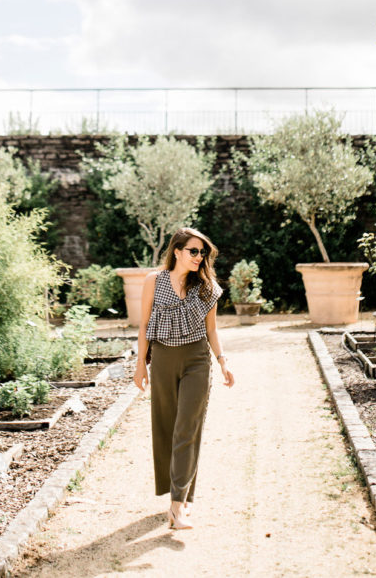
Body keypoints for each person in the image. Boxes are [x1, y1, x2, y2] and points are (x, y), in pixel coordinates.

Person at [133, 226, 235, 530]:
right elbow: (144, 325)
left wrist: (222, 361)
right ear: (177, 251)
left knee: (186, 429)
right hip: (163, 359)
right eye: (193, 251)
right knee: (166, 428)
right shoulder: (154, 281)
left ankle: (176, 507)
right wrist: (140, 364)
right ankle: (183, 496)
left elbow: (212, 329)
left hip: (196, 361)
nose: (198, 257)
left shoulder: (206, 287)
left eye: (202, 252)